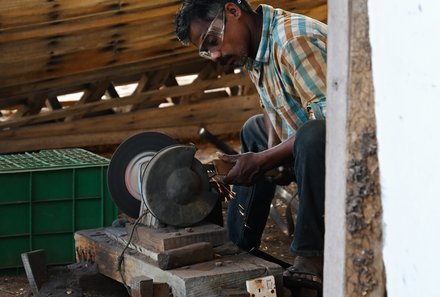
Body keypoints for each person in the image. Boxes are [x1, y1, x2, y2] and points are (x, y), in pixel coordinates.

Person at [175, 0, 327, 287]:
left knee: (312, 134)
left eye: (213, 40)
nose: (216, 54)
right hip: (314, 146)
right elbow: (275, 105)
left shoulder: (293, 40)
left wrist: (266, 159)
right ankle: (239, 243)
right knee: (254, 128)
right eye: (207, 51)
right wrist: (271, 153)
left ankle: (312, 257)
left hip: (363, 150)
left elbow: (336, 122)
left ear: (233, 11)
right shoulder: (255, 50)